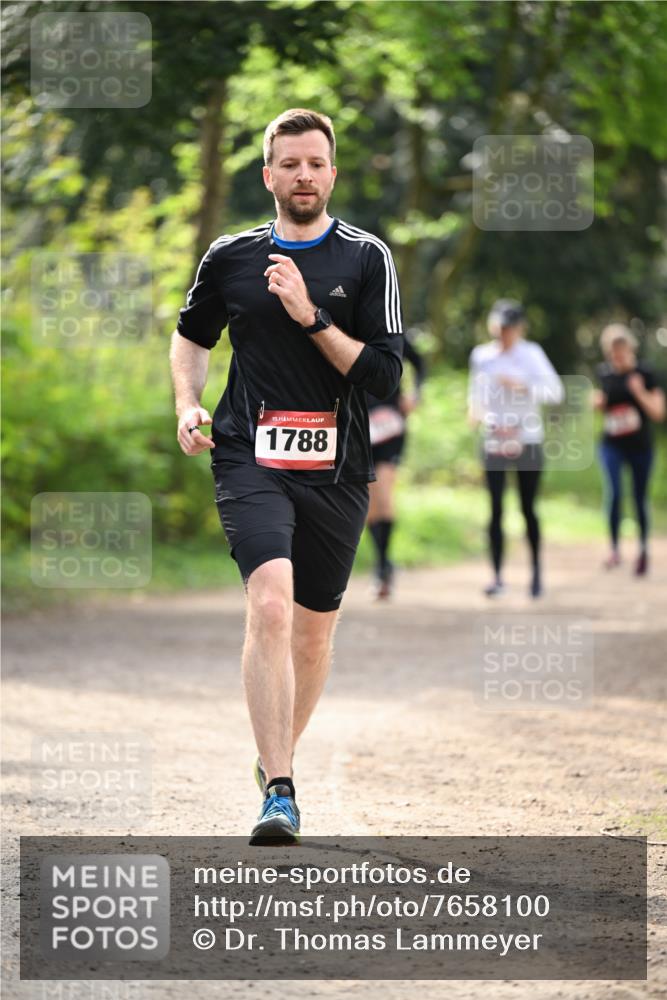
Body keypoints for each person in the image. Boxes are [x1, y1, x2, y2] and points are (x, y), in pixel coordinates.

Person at [169, 108, 403, 845]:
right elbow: (191, 336)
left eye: (315, 163)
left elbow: (383, 377)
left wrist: (309, 315)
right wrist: (187, 402)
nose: (303, 175)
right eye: (289, 163)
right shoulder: (229, 257)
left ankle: (273, 758)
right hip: (248, 453)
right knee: (269, 604)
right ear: (267, 173)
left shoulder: (367, 259)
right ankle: (281, 789)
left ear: (332, 173)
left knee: (311, 637)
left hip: (339, 467)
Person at [468, 299, 564, 598]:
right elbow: (476, 393)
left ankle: (536, 572)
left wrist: (522, 385)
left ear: (520, 328)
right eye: (499, 328)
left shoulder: (532, 354)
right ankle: (497, 577)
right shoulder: (482, 355)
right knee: (495, 509)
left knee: (527, 508)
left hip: (527, 439)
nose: (504, 334)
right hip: (495, 439)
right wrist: (477, 413)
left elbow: (555, 391)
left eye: (509, 329)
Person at [593, 323, 665, 575]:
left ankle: (643, 549)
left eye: (621, 351)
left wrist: (639, 391)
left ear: (630, 349)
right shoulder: (603, 374)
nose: (617, 357)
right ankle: (614, 549)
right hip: (612, 444)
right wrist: (597, 404)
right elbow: (599, 406)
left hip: (640, 446)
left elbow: (658, 412)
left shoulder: (645, 373)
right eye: (613, 353)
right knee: (613, 492)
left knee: (639, 496)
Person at [366, 334, 425, 598]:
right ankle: (383, 562)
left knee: (385, 496)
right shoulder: (344, 323)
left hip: (390, 425)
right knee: (369, 504)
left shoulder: (393, 329)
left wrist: (415, 394)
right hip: (359, 426)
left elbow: (419, 362)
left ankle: (383, 566)